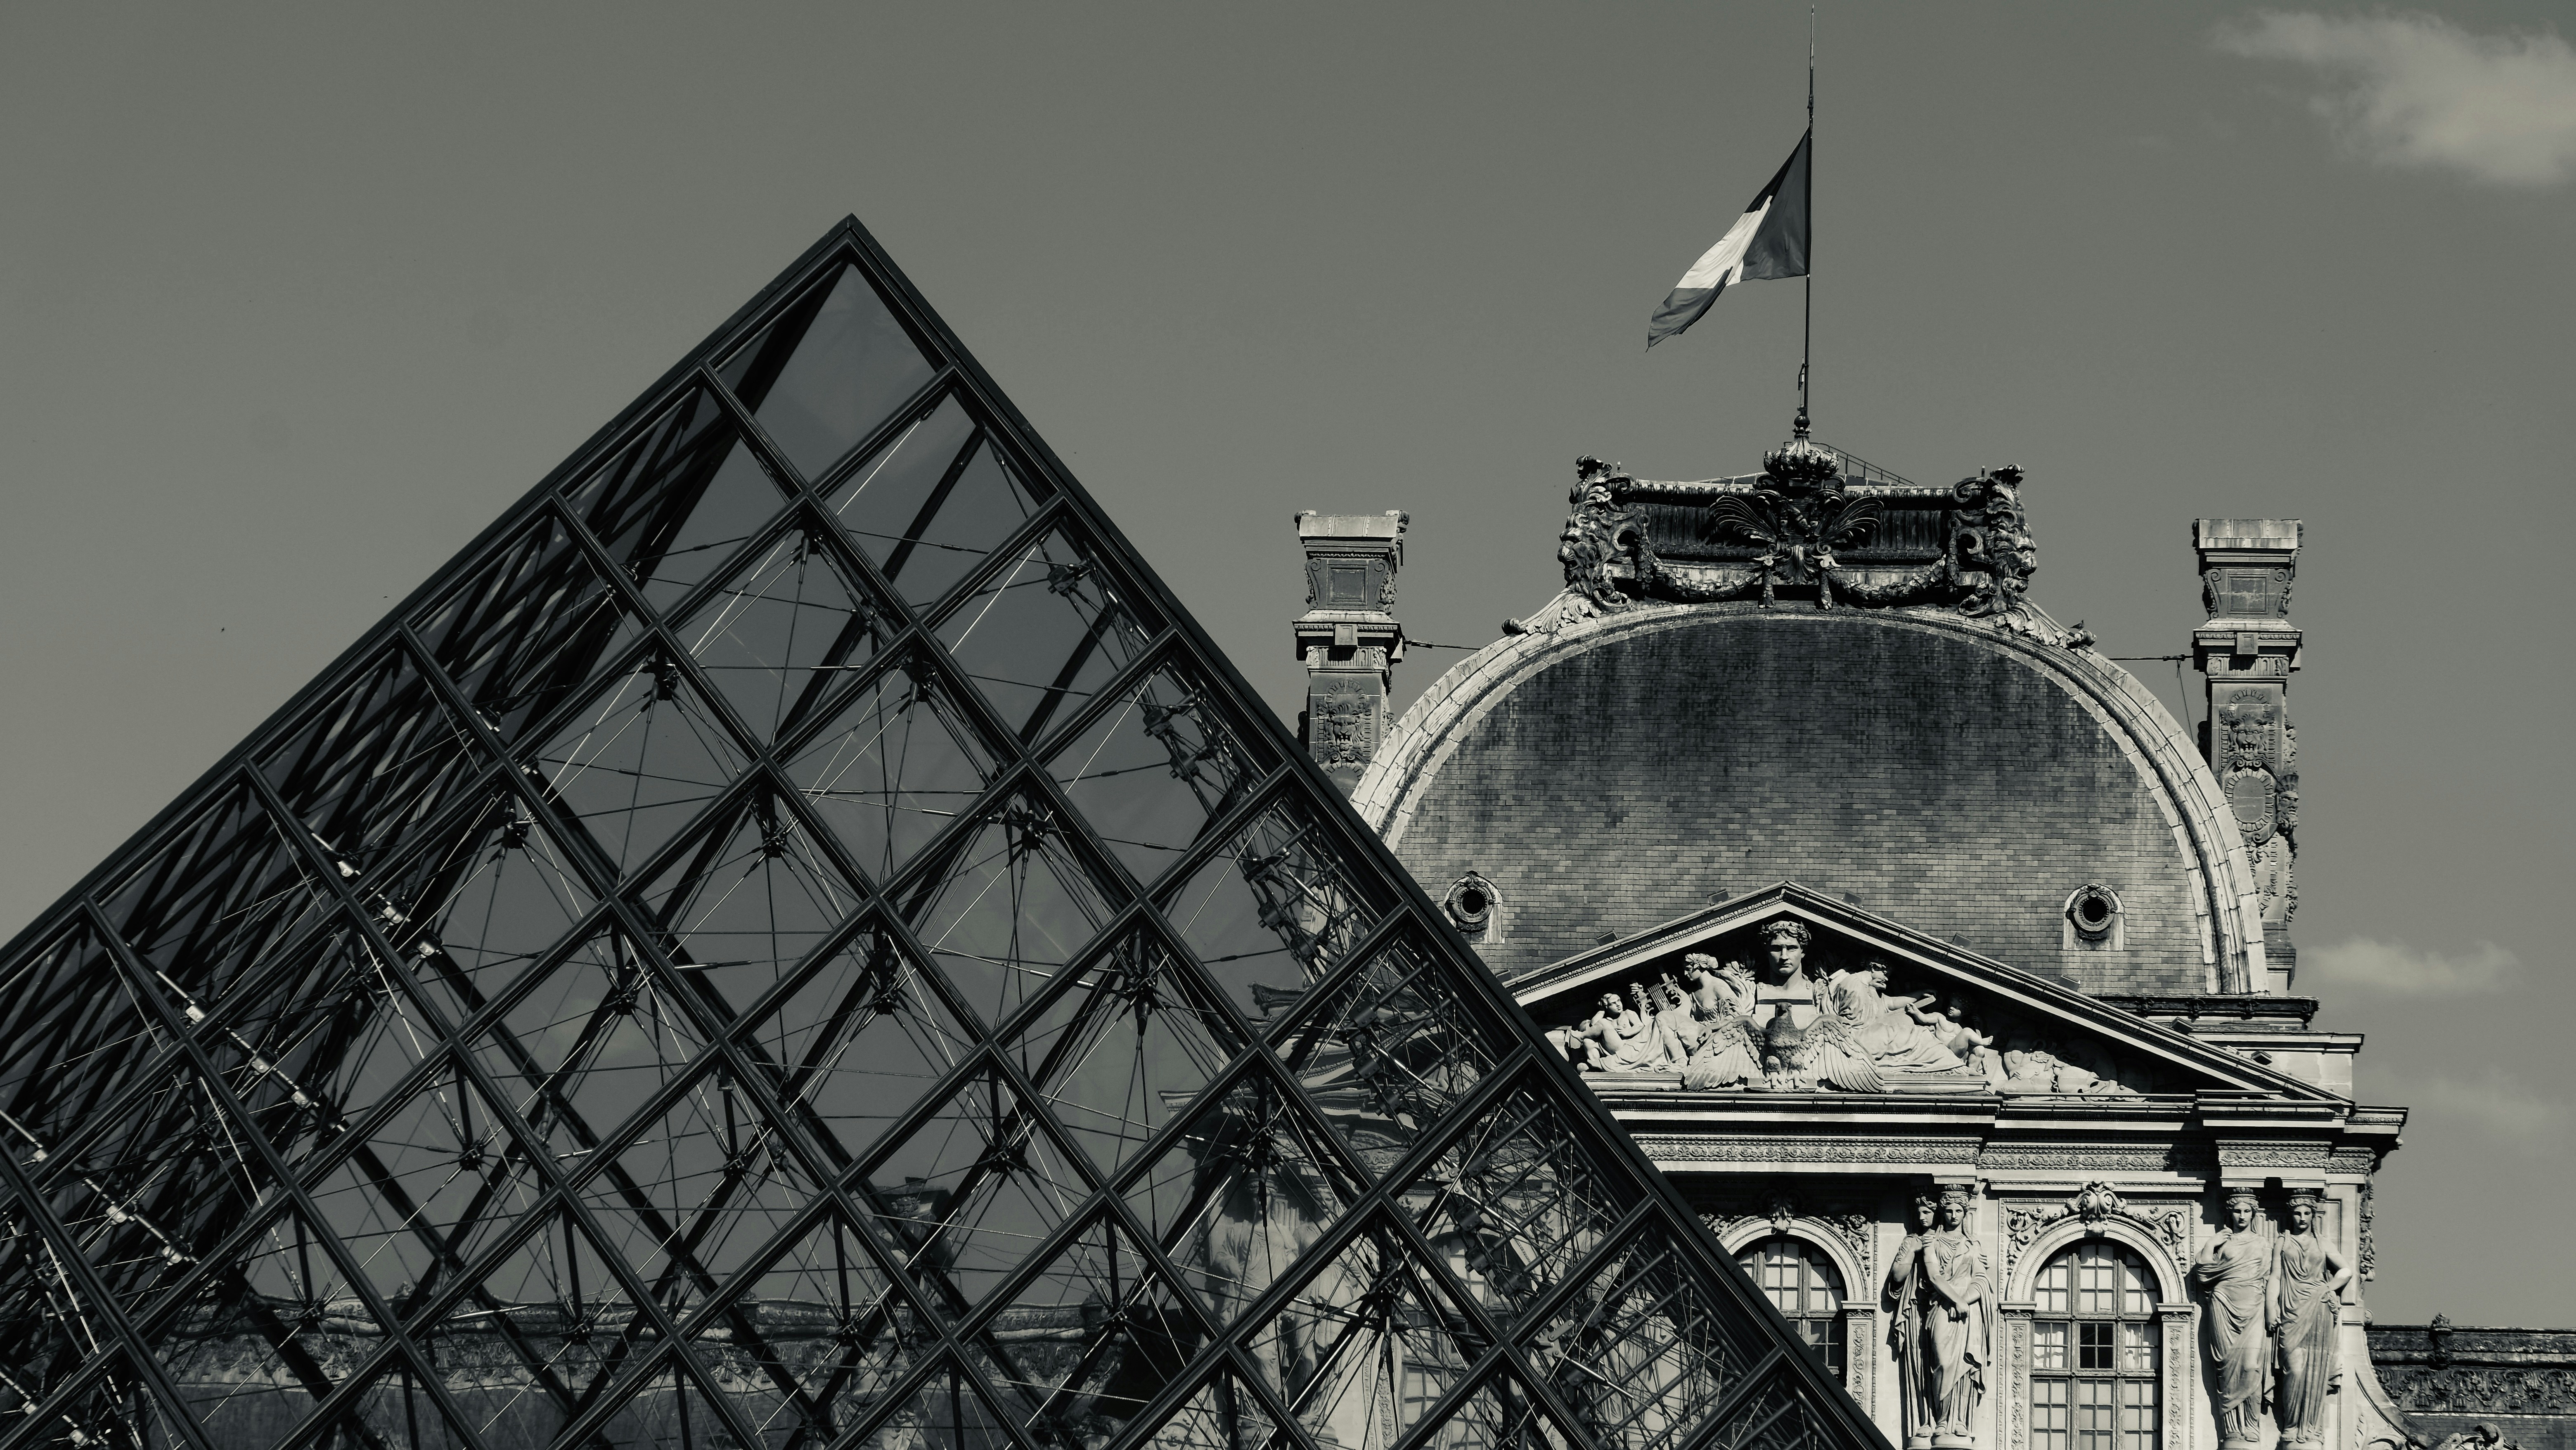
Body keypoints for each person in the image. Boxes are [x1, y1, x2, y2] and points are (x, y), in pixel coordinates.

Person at [2193, 1187, 2275, 1450]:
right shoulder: (2224, 1242)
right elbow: (2204, 1272)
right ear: (2230, 1213)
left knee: (2252, 1367)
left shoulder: (2263, 1243)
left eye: (2247, 1211)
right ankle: (2233, 1432)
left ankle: (2250, 1427)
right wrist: (2210, 1244)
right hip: (2223, 1304)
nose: (2242, 1216)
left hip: (2254, 1307)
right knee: (2226, 1370)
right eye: (2237, 1211)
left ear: (2254, 1214)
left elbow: (2274, 1280)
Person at [2273, 1190, 2351, 1447]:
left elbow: (2346, 1270)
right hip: (2290, 1309)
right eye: (2297, 1213)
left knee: (2316, 1371)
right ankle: (2292, 1425)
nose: (2302, 1217)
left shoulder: (2323, 1243)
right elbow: (2274, 1277)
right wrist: (2270, 1309)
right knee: (2294, 1370)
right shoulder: (2282, 1242)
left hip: (2318, 1307)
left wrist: (2329, 1289)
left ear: (2314, 1215)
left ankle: (2310, 1428)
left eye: (2307, 1213)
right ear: (2291, 1215)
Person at [1883, 1193, 1941, 1449]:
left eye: (1927, 1212)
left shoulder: (1948, 1241)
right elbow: (1897, 1277)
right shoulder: (1912, 1241)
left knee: (1942, 1366)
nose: (1921, 1217)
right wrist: (1914, 1250)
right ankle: (1924, 1420)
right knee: (1918, 1367)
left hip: (1943, 1311)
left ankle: (1945, 1422)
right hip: (1917, 1312)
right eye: (1919, 1213)